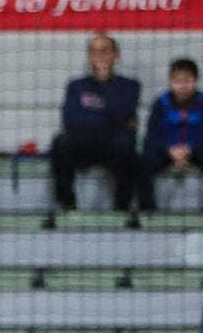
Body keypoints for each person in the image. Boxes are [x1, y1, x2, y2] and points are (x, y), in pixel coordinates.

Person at [50, 33, 141, 213]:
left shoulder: (130, 86)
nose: (100, 56)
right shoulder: (76, 86)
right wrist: (110, 119)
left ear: (116, 55)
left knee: (127, 143)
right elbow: (70, 121)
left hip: (113, 146)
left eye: (105, 51)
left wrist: (104, 88)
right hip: (84, 145)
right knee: (60, 141)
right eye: (94, 52)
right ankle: (66, 204)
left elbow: (124, 113)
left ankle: (122, 206)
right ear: (89, 57)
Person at [140, 58, 203, 216]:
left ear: (195, 81)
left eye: (187, 80)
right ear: (171, 81)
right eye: (178, 81)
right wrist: (169, 150)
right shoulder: (161, 103)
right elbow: (152, 135)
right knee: (141, 163)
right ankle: (147, 210)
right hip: (166, 150)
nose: (182, 86)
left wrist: (190, 149)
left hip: (197, 149)